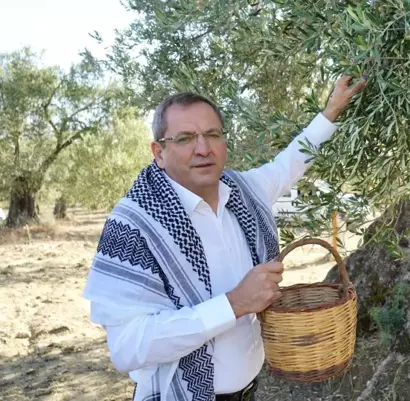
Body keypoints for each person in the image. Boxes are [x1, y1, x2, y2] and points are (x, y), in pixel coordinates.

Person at [82, 75, 367, 401]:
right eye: (186, 138)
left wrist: (331, 111)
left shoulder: (243, 191)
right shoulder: (134, 226)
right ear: (159, 152)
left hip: (250, 391)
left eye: (212, 134)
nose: (203, 148)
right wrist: (234, 304)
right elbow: (128, 347)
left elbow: (288, 164)